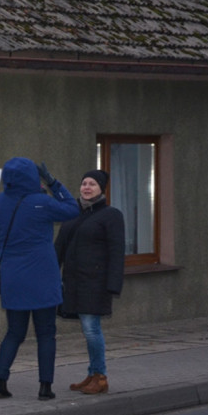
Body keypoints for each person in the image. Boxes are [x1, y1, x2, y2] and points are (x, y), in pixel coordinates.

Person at [0, 157, 80, 401]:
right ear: (32, 177)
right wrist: (52, 182)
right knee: (46, 333)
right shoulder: (43, 202)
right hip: (43, 277)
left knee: (14, 333)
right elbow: (73, 208)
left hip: (13, 278)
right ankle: (45, 387)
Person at [55, 169, 126, 395]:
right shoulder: (72, 213)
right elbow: (58, 248)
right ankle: (93, 373)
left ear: (101, 189)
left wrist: (113, 284)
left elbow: (117, 251)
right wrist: (48, 273)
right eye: (84, 183)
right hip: (74, 282)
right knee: (88, 330)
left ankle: (101, 376)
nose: (86, 187)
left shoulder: (111, 215)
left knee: (91, 329)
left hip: (96, 283)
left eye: (92, 184)